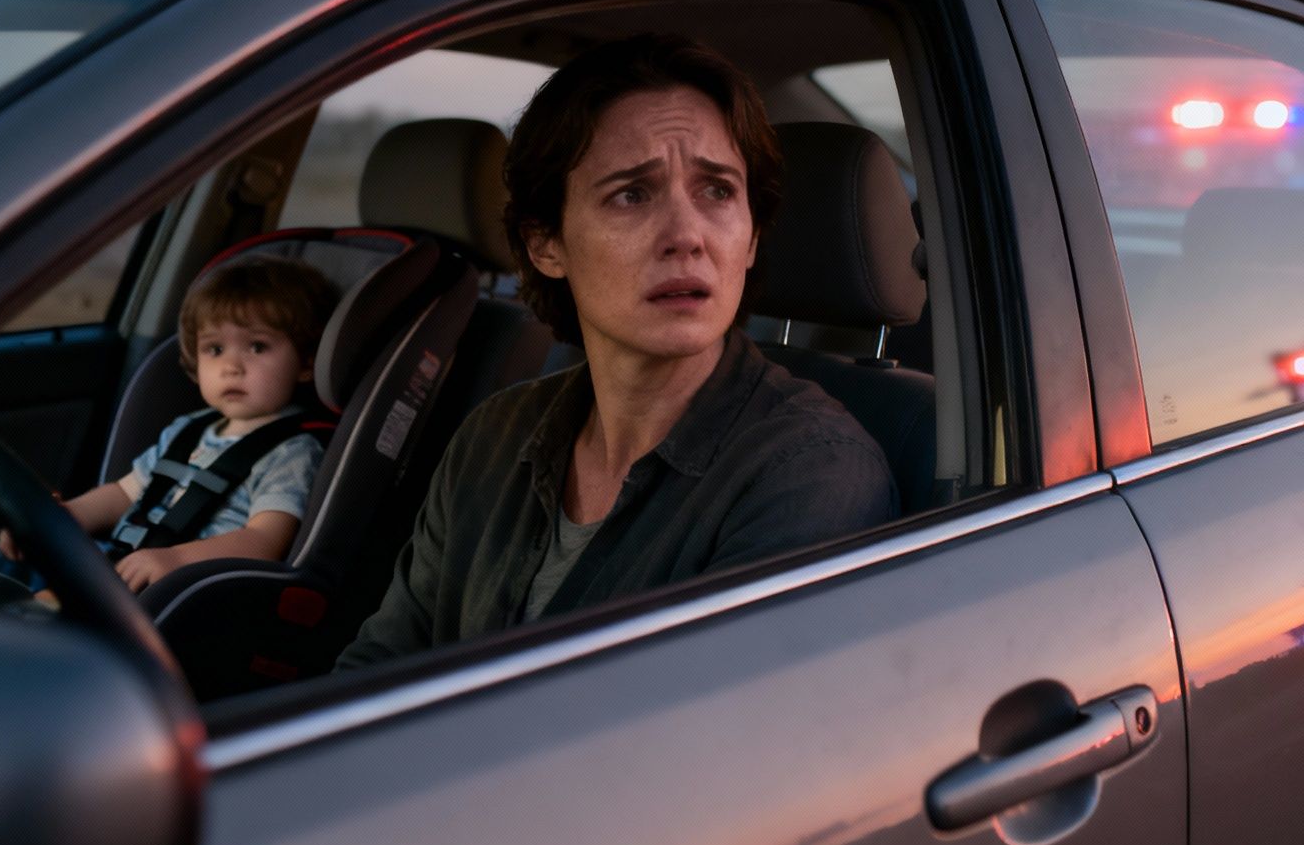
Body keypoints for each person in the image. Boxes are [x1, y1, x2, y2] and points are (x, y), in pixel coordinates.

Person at [337, 34, 898, 669]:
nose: (687, 236)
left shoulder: (812, 474)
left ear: (750, 239)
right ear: (547, 243)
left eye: (717, 191)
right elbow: (376, 669)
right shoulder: (492, 436)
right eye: (632, 194)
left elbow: (690, 748)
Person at [0, 255, 342, 593]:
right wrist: (57, 520)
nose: (232, 366)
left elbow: (265, 540)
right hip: (112, 566)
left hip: (173, 589)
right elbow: (122, 494)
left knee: (18, 610)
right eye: (215, 349)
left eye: (257, 347)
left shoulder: (293, 451)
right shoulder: (188, 429)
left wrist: (174, 559)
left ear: (306, 363)